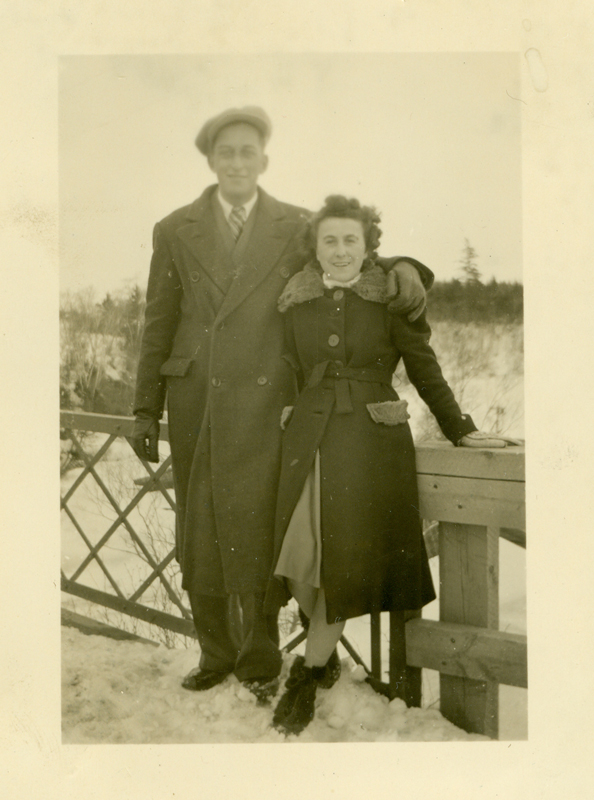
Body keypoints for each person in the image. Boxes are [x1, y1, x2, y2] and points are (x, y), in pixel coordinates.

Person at [131, 107, 433, 702]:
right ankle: (213, 650)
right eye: (227, 153)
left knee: (262, 517)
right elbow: (158, 320)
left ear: (264, 160)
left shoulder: (295, 223)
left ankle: (261, 647)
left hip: (272, 398)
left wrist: (407, 267)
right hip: (199, 398)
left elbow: (351, 257)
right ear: (212, 161)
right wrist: (146, 407)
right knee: (201, 523)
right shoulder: (174, 228)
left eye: (248, 152)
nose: (237, 162)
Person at [266, 195, 518, 735]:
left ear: (368, 245)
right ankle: (325, 653)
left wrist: (461, 428)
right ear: (315, 246)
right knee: (297, 564)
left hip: (367, 449)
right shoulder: (297, 300)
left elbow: (425, 367)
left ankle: (307, 676)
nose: (339, 251)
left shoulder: (390, 297)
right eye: (328, 240)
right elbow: (286, 365)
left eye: (350, 240)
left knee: (338, 569)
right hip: (307, 440)